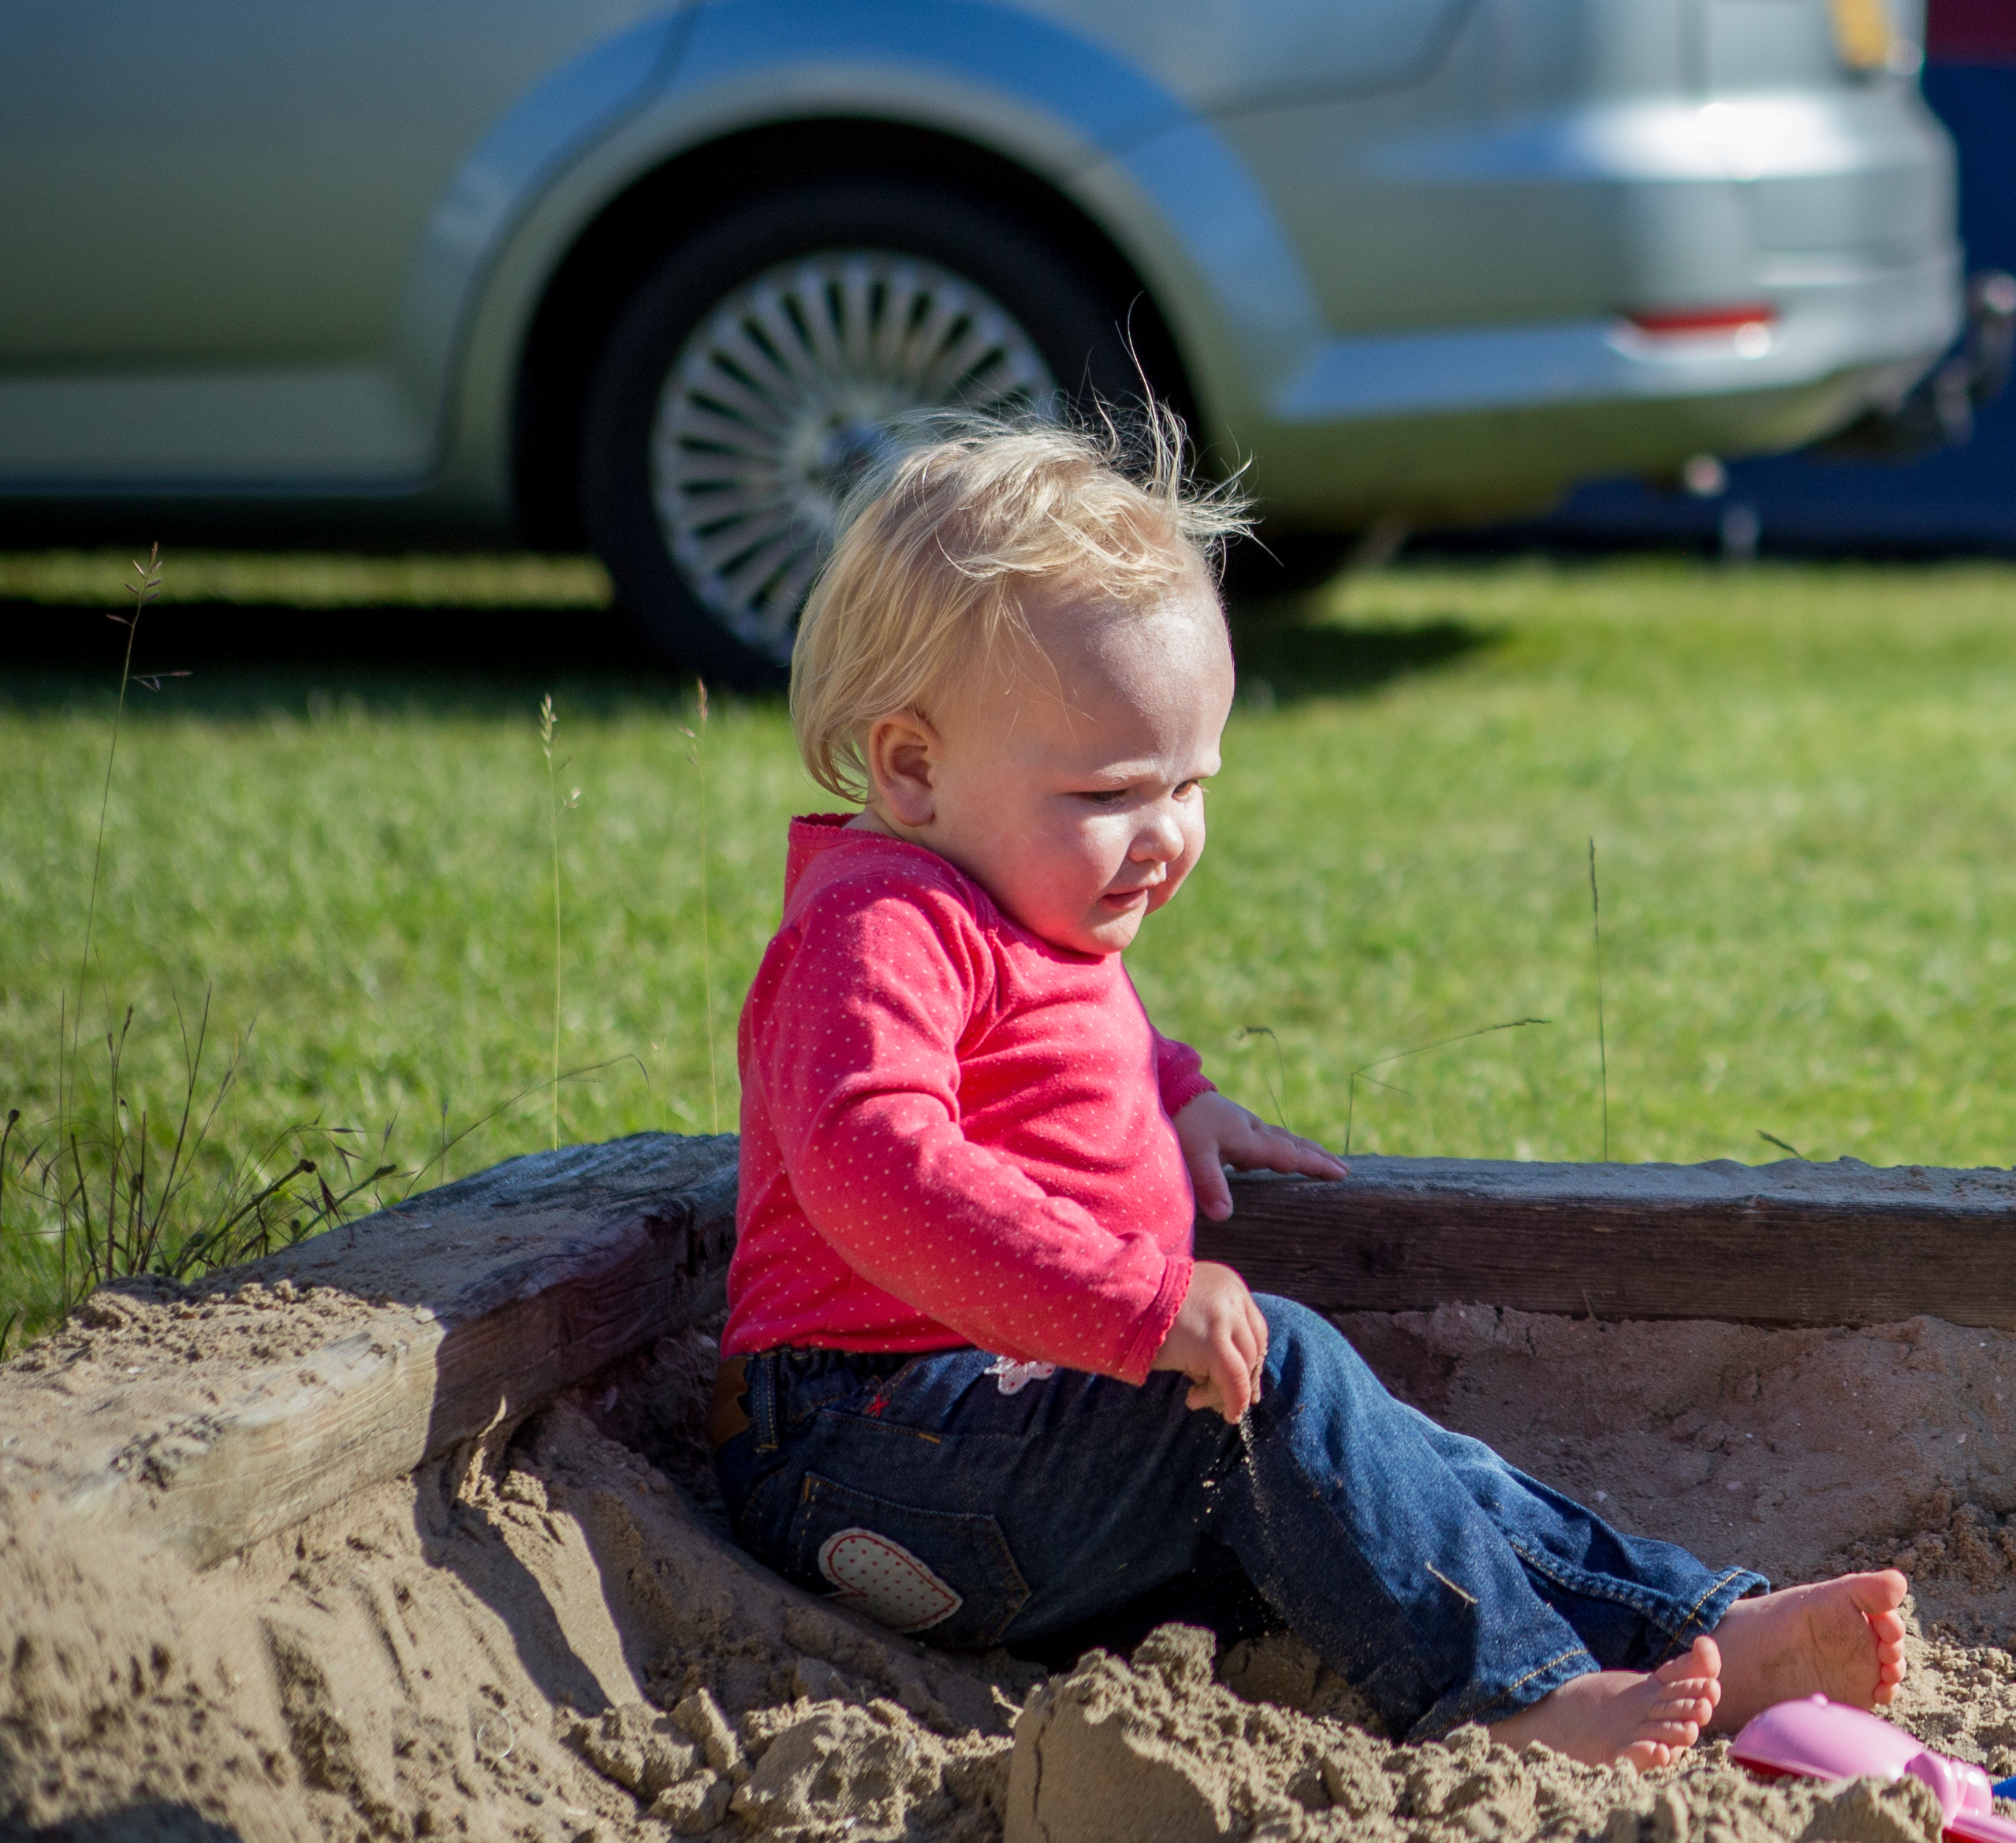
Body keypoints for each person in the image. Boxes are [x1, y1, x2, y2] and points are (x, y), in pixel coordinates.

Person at [708, 412, 1907, 1769]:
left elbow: (1059, 1045)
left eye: (1191, 783)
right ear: (911, 765)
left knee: (1389, 1455)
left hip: (1006, 1439)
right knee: (1284, 1383)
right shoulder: (877, 927)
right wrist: (1135, 1298)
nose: (1164, 836)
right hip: (869, 1454)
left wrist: (1178, 1101)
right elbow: (875, 1160)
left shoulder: (1013, 892)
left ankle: (1682, 1622)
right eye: (1110, 791)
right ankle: (1512, 1701)